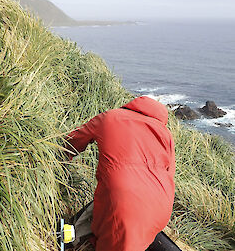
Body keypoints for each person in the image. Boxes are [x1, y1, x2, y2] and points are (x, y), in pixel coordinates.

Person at [65, 96, 176, 251]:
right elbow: (170, 174)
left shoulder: (110, 117)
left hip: (123, 199)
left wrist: (56, 160)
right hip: (162, 205)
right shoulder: (166, 134)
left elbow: (70, 143)